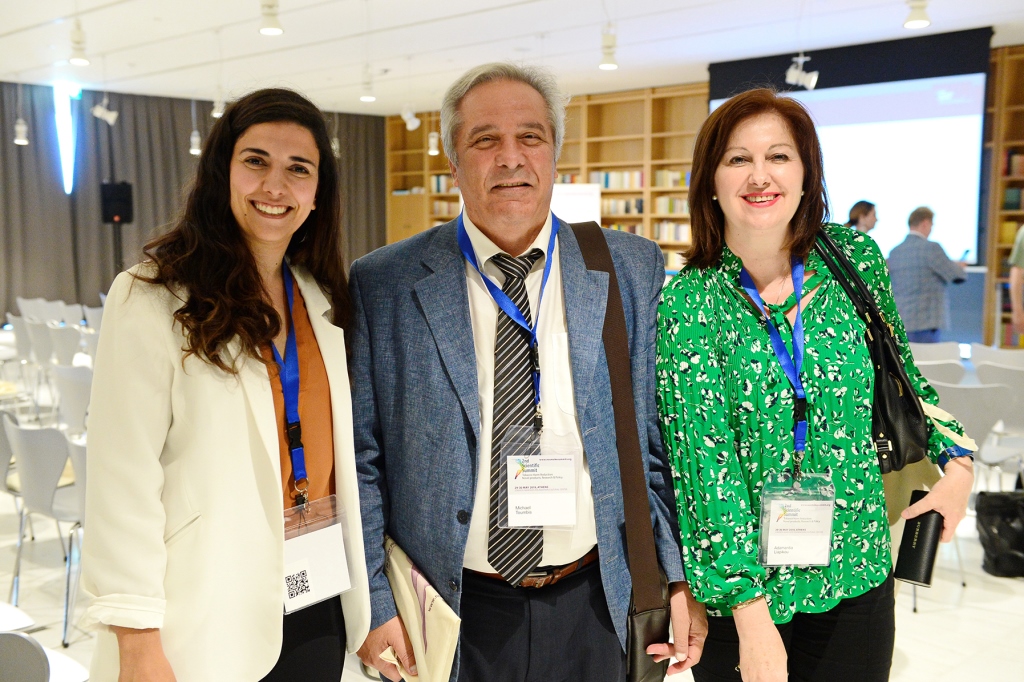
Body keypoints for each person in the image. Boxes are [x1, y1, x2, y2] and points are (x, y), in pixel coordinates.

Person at [350, 62, 706, 682]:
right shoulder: (386, 282)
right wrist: (375, 604)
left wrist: (676, 577)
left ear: (555, 154)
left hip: (596, 600)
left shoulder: (628, 266)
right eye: (485, 139)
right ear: (453, 161)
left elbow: (656, 442)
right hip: (452, 611)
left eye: (530, 137)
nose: (510, 157)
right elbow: (362, 458)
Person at [656, 88, 975, 682]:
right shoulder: (688, 300)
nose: (760, 175)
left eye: (779, 156)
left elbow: (906, 383)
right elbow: (703, 467)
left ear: (806, 175)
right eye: (737, 159)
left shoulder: (854, 259)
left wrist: (959, 468)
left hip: (857, 568)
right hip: (744, 593)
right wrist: (750, 618)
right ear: (711, 182)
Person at [81, 88, 370, 680]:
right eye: (256, 161)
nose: (275, 185)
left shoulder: (323, 299)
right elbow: (121, 477)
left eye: (299, 169)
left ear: (318, 192)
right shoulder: (151, 296)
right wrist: (137, 638)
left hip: (315, 597)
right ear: (222, 172)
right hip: (201, 611)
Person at [886, 206, 967, 343]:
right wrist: (959, 266)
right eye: (931, 225)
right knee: (927, 357)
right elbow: (957, 276)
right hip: (926, 324)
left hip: (900, 323)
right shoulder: (932, 248)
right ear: (925, 223)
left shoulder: (894, 251)